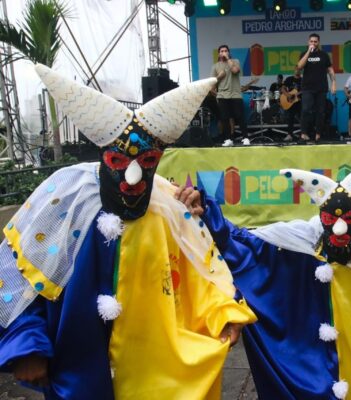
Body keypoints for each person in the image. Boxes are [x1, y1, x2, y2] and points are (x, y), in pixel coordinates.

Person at [0, 64, 257, 399]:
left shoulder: (168, 204)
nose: (133, 177)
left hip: (156, 373)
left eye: (147, 161)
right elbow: (20, 274)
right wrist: (26, 345)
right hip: (78, 371)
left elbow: (201, 269)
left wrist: (224, 312)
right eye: (119, 163)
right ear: (104, 157)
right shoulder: (67, 199)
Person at [176, 155, 351, 399]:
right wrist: (207, 213)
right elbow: (243, 245)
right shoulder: (298, 246)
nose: (339, 229)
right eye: (331, 220)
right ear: (321, 219)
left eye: (348, 220)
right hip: (316, 371)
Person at [297, 33, 336, 142]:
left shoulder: (324, 55)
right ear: (308, 42)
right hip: (307, 88)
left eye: (315, 41)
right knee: (305, 110)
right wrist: (308, 52)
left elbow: (330, 70)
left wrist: (334, 83)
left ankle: (318, 135)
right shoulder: (304, 54)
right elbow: (299, 66)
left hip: (321, 88)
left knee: (320, 112)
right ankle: (304, 134)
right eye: (311, 41)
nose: (313, 43)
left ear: (318, 42)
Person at [211, 44, 249, 147]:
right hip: (222, 95)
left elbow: (235, 71)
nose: (224, 52)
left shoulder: (235, 61)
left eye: (225, 51)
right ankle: (228, 139)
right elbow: (212, 84)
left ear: (229, 52)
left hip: (235, 94)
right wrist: (219, 77)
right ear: (218, 54)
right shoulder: (215, 66)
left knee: (239, 116)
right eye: (222, 51)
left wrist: (228, 59)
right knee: (224, 118)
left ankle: (245, 137)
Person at [280, 68, 302, 141]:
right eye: (296, 69)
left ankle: (303, 134)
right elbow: (282, 89)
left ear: (301, 71)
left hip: (300, 101)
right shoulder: (289, 79)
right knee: (290, 118)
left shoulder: (303, 80)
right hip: (290, 102)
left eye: (299, 70)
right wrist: (288, 95)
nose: (297, 71)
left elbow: (306, 89)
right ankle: (289, 135)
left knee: (303, 118)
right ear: (294, 70)